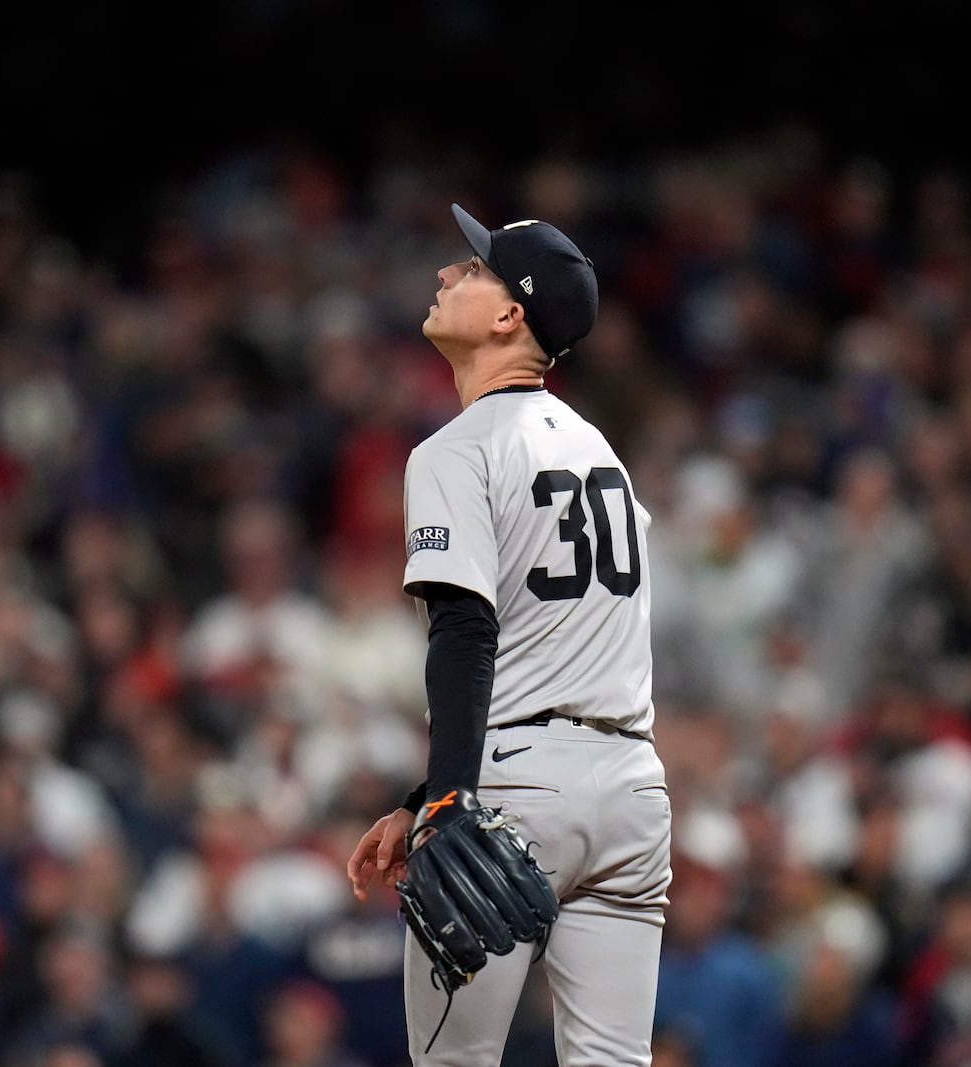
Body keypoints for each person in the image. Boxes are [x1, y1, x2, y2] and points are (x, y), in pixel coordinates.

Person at [346, 203, 672, 1065]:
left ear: (508, 315)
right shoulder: (602, 451)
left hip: (517, 790)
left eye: (476, 268)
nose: (450, 273)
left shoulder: (456, 450)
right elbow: (555, 648)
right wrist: (427, 793)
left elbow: (465, 630)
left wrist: (449, 799)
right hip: (634, 790)